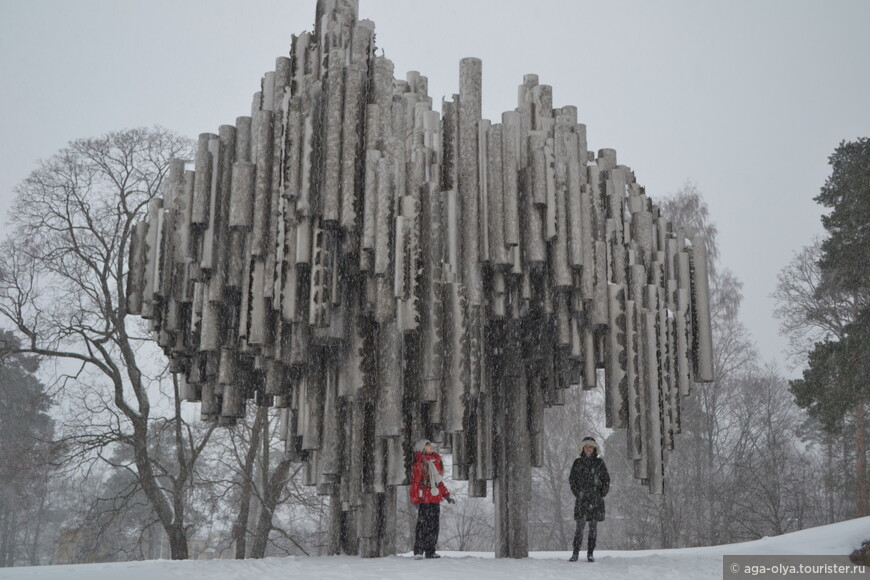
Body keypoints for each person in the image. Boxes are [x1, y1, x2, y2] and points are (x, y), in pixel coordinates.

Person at [410, 439, 454, 559]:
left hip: (435, 497)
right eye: (428, 446)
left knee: (434, 526)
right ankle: (419, 551)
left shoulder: (436, 461)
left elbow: (438, 482)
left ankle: (430, 551)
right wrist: (415, 499)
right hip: (424, 498)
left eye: (431, 445)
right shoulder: (419, 462)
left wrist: (447, 495)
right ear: (423, 448)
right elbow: (415, 482)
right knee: (422, 525)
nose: (431, 447)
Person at [568, 436, 610, 563]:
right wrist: (578, 493)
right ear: (583, 448)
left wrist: (601, 493)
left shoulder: (599, 463)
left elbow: (606, 480)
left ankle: (590, 553)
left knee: (593, 528)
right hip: (582, 500)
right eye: (586, 446)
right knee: (579, 528)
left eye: (590, 446)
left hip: (595, 501)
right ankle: (575, 553)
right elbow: (572, 480)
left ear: (594, 448)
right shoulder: (577, 463)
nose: (588, 449)